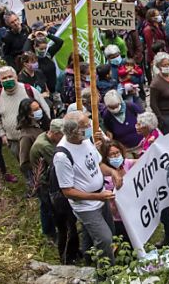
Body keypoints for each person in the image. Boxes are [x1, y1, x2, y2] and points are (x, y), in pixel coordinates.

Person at [54, 111, 122, 265]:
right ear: (73, 131)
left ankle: (88, 259)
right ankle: (106, 273)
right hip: (86, 205)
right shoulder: (62, 156)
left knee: (107, 233)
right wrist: (98, 196)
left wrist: (113, 172)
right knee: (105, 239)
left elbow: (98, 164)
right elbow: (68, 191)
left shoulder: (85, 141)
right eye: (86, 126)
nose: (90, 127)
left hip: (101, 197)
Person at [0, 66, 51, 186]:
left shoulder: (28, 90)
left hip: (34, 138)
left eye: (10, 76)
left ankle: (46, 184)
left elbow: (45, 109)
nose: (7, 79)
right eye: (4, 78)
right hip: (13, 140)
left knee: (40, 162)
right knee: (24, 164)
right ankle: (33, 186)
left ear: (16, 77)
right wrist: (2, 134)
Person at [29, 119, 65, 245]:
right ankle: (51, 234)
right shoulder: (45, 146)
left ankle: (48, 232)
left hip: (42, 179)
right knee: (49, 208)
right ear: (54, 133)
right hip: (44, 182)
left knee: (45, 207)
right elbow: (59, 163)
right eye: (62, 135)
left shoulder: (44, 135)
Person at [100, 140, 134, 242]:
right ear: (106, 157)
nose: (116, 156)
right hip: (116, 217)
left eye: (117, 153)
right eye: (112, 154)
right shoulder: (105, 176)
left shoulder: (127, 163)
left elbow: (143, 160)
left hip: (132, 212)